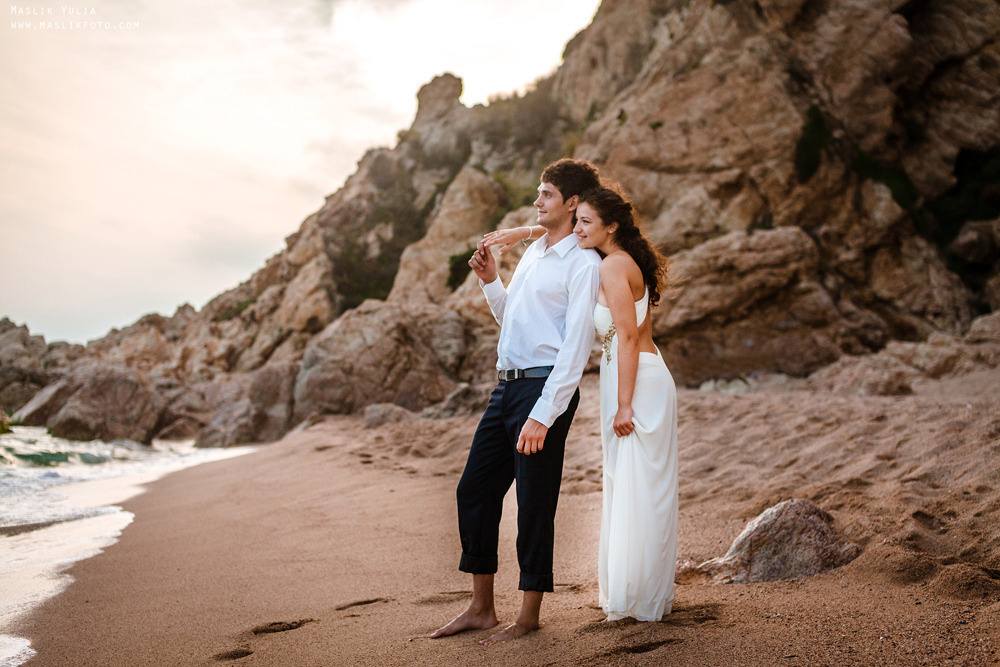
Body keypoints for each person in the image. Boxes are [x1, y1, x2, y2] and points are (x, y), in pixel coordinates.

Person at [483, 183, 678, 622]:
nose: (579, 228)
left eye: (587, 222)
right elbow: (557, 235)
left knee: (638, 488)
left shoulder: (611, 267)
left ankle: (639, 600)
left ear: (610, 226)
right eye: (579, 220)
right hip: (629, 376)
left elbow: (627, 335)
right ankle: (638, 596)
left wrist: (624, 405)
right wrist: (524, 232)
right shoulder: (615, 260)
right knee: (632, 487)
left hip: (637, 383)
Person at [430, 159, 602, 644]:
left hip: (544, 389)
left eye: (545, 194)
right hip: (505, 387)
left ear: (571, 203)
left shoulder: (584, 264)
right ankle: (481, 608)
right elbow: (515, 321)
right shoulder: (533, 254)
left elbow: (573, 350)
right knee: (474, 490)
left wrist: (544, 415)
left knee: (534, 502)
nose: (536, 202)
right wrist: (491, 280)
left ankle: (527, 617)